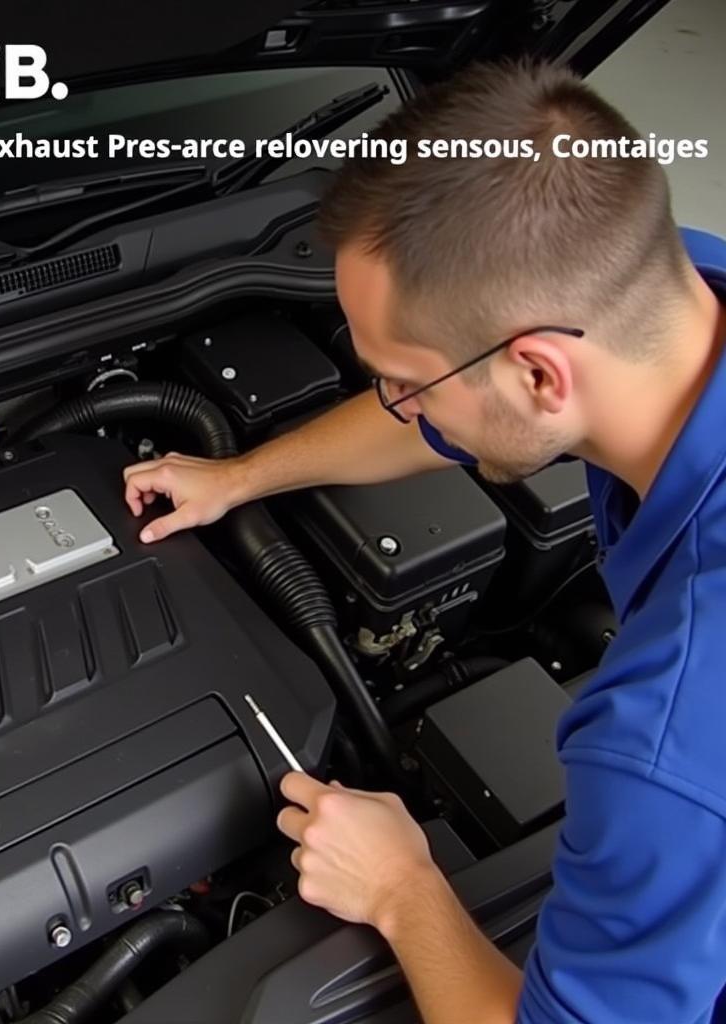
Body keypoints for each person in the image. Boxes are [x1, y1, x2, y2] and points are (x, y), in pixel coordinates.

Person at [121, 60, 726, 1023]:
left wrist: (404, 889)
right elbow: (433, 421)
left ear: (540, 373)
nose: (397, 402)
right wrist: (238, 476)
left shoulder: (670, 730)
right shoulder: (670, 296)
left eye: (403, 377)